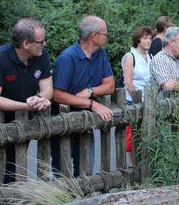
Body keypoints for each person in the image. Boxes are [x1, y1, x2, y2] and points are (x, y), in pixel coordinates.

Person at [0, 18, 53, 183]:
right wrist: (28, 106)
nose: (44, 44)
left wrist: (39, 99)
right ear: (26, 44)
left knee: (18, 164)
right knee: (7, 166)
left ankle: (16, 202)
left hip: (23, 120)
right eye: (40, 41)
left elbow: (48, 89)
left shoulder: (41, 55)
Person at [52, 16, 115, 175]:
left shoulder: (100, 53)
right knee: (62, 174)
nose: (106, 37)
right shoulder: (67, 58)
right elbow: (58, 95)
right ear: (94, 36)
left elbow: (110, 85)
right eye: (105, 34)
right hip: (63, 125)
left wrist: (90, 91)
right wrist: (92, 104)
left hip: (86, 124)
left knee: (85, 172)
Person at [121, 26, 152, 166]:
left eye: (150, 38)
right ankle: (132, 166)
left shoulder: (150, 56)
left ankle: (144, 165)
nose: (149, 41)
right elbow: (128, 82)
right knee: (132, 137)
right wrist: (136, 99)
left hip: (148, 101)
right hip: (132, 101)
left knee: (146, 135)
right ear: (138, 39)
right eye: (145, 38)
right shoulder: (130, 56)